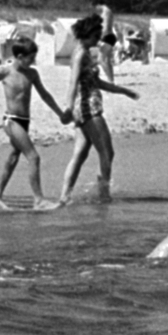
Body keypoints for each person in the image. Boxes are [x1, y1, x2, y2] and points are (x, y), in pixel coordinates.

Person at [0, 36, 70, 210]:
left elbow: (45, 95)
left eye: (34, 58)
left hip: (25, 121)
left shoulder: (32, 73)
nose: (33, 61)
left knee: (13, 157)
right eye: (30, 58)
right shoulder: (5, 71)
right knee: (33, 157)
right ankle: (39, 200)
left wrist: (60, 114)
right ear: (19, 56)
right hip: (11, 121)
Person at [58, 13, 140, 205]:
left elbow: (96, 82)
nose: (97, 40)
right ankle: (104, 195)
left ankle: (64, 196)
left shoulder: (84, 52)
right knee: (107, 152)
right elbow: (73, 83)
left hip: (83, 108)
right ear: (86, 35)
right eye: (95, 37)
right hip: (88, 108)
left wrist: (123, 91)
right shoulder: (79, 55)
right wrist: (67, 108)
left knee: (80, 153)